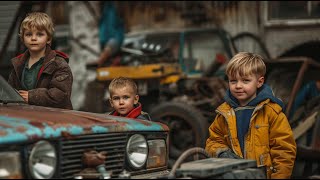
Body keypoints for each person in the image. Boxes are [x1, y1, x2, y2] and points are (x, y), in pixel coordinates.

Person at [205, 52, 296, 179]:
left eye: (245, 81)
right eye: (233, 81)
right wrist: (222, 152)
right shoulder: (223, 113)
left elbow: (284, 151)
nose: (238, 86)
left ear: (259, 82)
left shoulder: (271, 112)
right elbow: (213, 141)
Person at [8, 12, 73, 110]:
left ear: (48, 39)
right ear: (23, 38)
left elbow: (61, 95)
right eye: (29, 34)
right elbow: (9, 92)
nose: (33, 38)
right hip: (24, 116)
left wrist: (32, 96)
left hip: (55, 119)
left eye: (39, 34)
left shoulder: (59, 64)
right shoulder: (18, 64)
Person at [93, 1, 125, 67]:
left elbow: (116, 39)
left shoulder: (111, 9)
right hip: (105, 44)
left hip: (111, 43)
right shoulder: (106, 9)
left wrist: (103, 57)